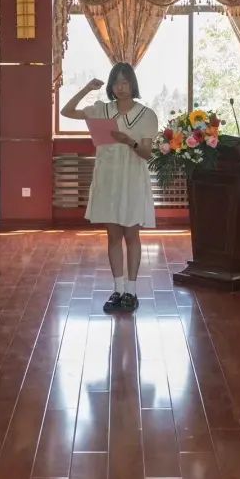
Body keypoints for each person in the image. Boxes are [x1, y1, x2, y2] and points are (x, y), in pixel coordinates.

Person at [60, 62, 158, 314]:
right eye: (116, 82)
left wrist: (129, 141)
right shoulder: (101, 110)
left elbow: (147, 153)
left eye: (125, 82)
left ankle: (131, 292)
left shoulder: (147, 114)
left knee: (131, 235)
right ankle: (118, 289)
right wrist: (86, 88)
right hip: (107, 180)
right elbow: (66, 111)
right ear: (111, 86)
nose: (121, 87)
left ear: (133, 84)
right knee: (113, 236)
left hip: (132, 179)